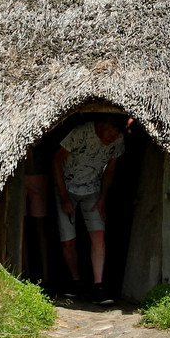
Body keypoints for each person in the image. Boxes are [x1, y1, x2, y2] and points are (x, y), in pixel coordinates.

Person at [52, 116, 126, 304]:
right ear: (100, 126)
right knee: (68, 239)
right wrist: (63, 197)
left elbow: (109, 171)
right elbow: (56, 161)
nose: (111, 137)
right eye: (109, 132)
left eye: (115, 134)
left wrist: (102, 198)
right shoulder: (80, 133)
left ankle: (98, 286)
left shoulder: (118, 140)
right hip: (66, 186)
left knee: (98, 235)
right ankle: (75, 281)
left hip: (92, 189)